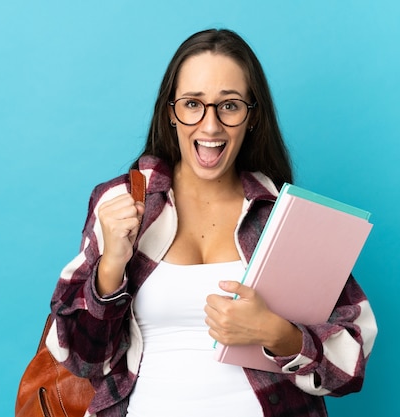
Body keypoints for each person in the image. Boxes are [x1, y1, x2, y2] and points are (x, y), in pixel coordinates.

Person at [47, 28, 377, 417]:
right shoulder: (123, 202)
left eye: (230, 106)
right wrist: (110, 269)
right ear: (171, 112)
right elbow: (82, 360)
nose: (210, 126)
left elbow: (350, 367)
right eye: (192, 104)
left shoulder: (284, 218)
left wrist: (277, 333)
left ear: (252, 116)